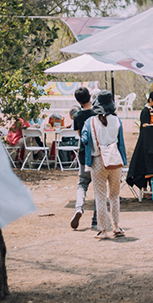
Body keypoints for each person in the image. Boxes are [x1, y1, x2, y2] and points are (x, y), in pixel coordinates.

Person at [81, 90, 127, 239]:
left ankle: (103, 230)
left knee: (100, 196)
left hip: (97, 161)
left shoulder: (90, 122)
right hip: (115, 161)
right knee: (114, 195)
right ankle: (116, 226)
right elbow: (121, 144)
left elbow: (84, 139)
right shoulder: (117, 121)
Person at [70, 87, 97, 230]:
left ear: (78, 101)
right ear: (90, 96)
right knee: (99, 188)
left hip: (83, 154)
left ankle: (78, 209)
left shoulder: (77, 116)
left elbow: (81, 135)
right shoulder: (97, 114)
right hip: (98, 154)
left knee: (82, 184)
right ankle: (96, 220)